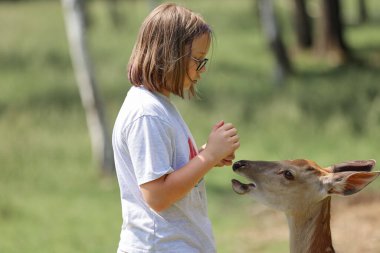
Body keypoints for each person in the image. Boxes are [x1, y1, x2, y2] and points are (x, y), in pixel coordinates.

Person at [112, 3, 240, 253]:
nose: (202, 71)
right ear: (171, 54)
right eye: (198, 61)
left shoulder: (159, 107)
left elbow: (169, 174)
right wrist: (208, 155)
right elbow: (157, 195)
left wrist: (207, 156)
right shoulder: (147, 114)